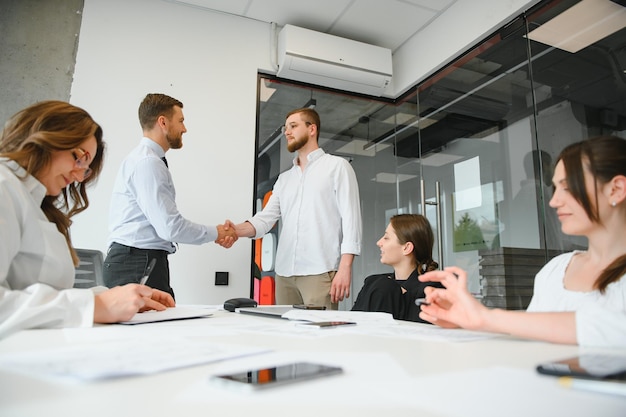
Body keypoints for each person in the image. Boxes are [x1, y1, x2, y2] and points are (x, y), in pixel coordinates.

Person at [418, 135, 626, 347]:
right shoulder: (555, 270)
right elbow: (530, 335)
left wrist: (484, 318)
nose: (554, 201)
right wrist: (465, 319)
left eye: (568, 187)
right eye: (555, 188)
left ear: (616, 189)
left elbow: (612, 328)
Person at [0, 100, 175, 338]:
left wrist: (124, 296)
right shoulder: (4, 186)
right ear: (46, 137)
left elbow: (48, 295)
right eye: (79, 158)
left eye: (86, 168)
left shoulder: (37, 205)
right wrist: (96, 306)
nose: (78, 176)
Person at [103, 93, 236, 299]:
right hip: (137, 263)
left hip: (140, 261)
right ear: (163, 122)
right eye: (181, 121)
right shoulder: (148, 163)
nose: (184, 128)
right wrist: (217, 232)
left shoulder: (146, 160)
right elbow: (170, 228)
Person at [233, 108, 362, 310]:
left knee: (318, 338)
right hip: (285, 275)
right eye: (286, 128)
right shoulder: (285, 179)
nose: (287, 132)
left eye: (293, 126)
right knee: (288, 338)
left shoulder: (337, 167)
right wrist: (233, 231)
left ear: (312, 129)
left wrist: (345, 267)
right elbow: (265, 219)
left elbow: (351, 220)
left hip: (320, 271)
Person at [351, 214, 441, 323]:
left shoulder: (431, 290)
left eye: (386, 238)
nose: (379, 243)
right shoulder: (372, 282)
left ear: (406, 248)